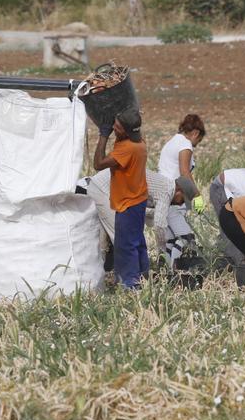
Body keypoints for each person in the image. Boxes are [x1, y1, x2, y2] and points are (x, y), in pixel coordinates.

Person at [81, 169, 198, 269]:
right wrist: (162, 253)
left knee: (104, 236)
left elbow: (142, 209)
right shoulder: (166, 191)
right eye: (182, 200)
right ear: (179, 190)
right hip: (104, 188)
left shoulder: (164, 187)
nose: (179, 204)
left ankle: (98, 271)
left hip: (104, 187)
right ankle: (130, 278)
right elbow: (159, 226)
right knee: (121, 236)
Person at [92, 108, 148, 290]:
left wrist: (103, 135)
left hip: (128, 203)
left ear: (125, 130)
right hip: (137, 200)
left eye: (117, 127)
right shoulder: (138, 142)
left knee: (125, 246)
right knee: (137, 242)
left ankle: (129, 284)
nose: (114, 128)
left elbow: (98, 164)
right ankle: (142, 277)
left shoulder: (127, 149)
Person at [157, 114, 207, 261]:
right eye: (199, 140)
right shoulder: (185, 144)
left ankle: (166, 271)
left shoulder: (173, 141)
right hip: (174, 197)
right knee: (186, 238)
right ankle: (177, 274)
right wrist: (196, 196)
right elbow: (184, 173)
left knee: (171, 240)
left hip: (161, 194)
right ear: (196, 133)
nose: (196, 144)